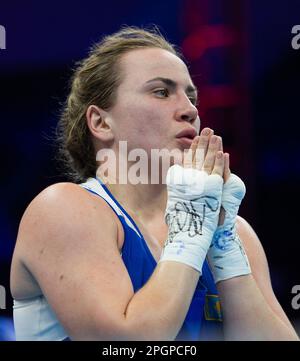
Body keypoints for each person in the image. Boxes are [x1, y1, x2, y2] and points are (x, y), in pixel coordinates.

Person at [10, 26, 299, 341]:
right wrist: (191, 226)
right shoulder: (63, 210)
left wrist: (222, 243)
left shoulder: (236, 232)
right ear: (101, 122)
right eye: (161, 91)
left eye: (192, 97)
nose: (190, 110)